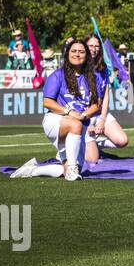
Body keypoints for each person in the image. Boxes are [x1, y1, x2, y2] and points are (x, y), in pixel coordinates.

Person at [38, 38, 106, 181]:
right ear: (67, 54)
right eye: (73, 51)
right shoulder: (57, 75)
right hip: (56, 120)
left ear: (87, 55)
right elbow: (47, 102)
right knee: (75, 125)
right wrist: (70, 112)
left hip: (79, 123)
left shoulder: (94, 77)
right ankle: (71, 168)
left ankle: (33, 170)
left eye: (81, 52)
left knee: (68, 168)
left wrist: (83, 115)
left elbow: (96, 104)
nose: (77, 54)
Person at [84, 33, 130, 160]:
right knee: (92, 159)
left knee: (122, 141)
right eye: (90, 45)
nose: (94, 48)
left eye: (97, 46)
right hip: (83, 117)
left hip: (99, 114)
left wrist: (102, 120)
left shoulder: (102, 67)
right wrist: (87, 124)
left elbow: (106, 95)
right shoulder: (78, 67)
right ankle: (82, 146)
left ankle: (97, 144)